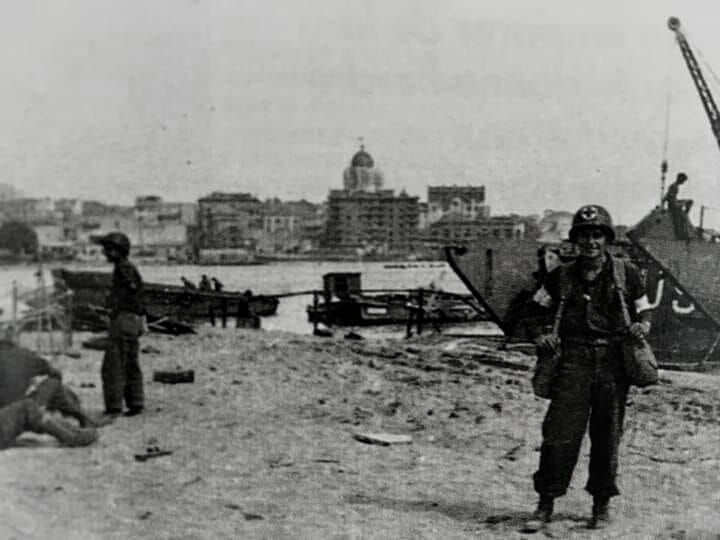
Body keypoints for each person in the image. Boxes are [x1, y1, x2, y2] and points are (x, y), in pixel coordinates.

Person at [523, 204, 652, 532]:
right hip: (572, 363)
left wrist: (643, 327)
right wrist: (542, 335)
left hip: (613, 365)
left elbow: (645, 309)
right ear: (575, 240)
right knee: (559, 436)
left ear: (606, 239)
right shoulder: (561, 275)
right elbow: (535, 312)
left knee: (607, 436)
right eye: (584, 235)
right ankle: (545, 505)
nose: (591, 242)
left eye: (597, 235)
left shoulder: (626, 272)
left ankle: (600, 505)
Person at [0, 340, 98, 448]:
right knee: (32, 403)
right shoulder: (23, 355)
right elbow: (55, 373)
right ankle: (74, 432)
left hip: (7, 416)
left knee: (28, 407)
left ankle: (71, 428)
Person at [95, 232, 146, 417]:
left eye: (108, 249)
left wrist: (114, 304)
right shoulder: (127, 267)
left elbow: (130, 289)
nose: (105, 253)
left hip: (123, 319)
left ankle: (114, 406)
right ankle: (136, 402)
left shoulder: (122, 268)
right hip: (131, 320)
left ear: (119, 251)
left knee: (112, 366)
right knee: (130, 363)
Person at [664, 172, 694, 239]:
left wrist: (682, 201)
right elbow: (670, 198)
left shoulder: (675, 186)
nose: (683, 182)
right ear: (680, 178)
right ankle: (681, 234)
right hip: (673, 206)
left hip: (674, 203)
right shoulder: (674, 186)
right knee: (681, 218)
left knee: (690, 201)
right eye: (683, 180)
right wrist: (680, 204)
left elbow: (668, 196)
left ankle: (685, 214)